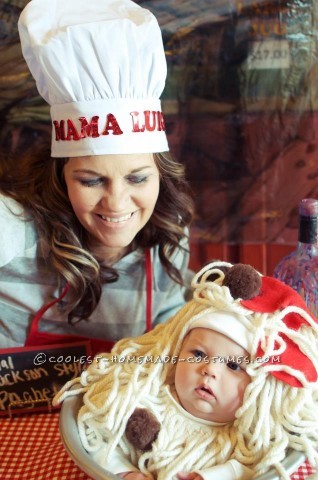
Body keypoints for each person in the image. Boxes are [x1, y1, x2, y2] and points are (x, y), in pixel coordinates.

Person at [0, 0, 194, 350]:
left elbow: (168, 339)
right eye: (91, 180)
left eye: (137, 179)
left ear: (161, 175)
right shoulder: (13, 226)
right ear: (60, 175)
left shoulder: (169, 230)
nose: (117, 203)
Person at [54, 261, 318, 480]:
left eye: (234, 366)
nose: (209, 370)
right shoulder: (141, 396)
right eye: (198, 354)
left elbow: (258, 466)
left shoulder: (248, 438)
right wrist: (123, 471)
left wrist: (211, 476)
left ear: (260, 388)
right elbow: (96, 432)